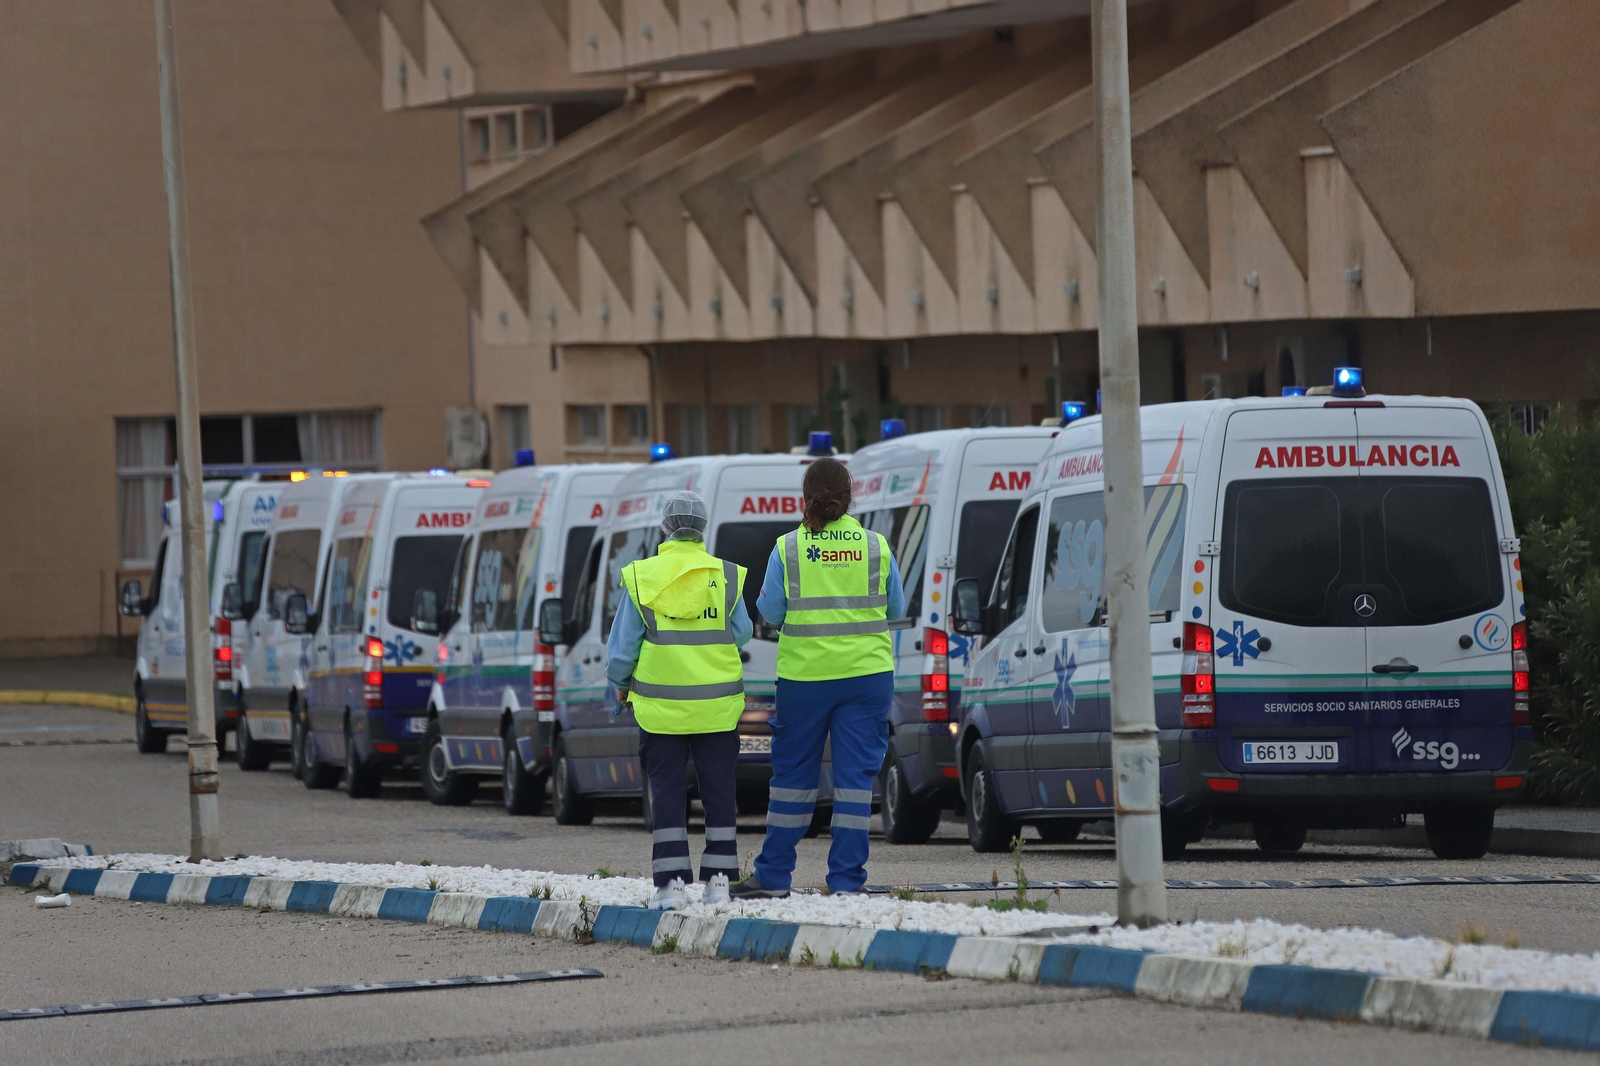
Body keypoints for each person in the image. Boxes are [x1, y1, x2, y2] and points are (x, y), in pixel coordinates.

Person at [729, 457, 905, 898]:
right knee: (854, 781)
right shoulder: (876, 546)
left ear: (804, 498)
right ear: (849, 497)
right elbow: (897, 610)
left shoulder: (787, 548)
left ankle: (773, 876)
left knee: (792, 778)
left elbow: (768, 612)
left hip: (805, 679)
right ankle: (846, 881)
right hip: (867, 677)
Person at [606, 490, 752, 911]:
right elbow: (741, 631)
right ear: (703, 528)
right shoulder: (725, 575)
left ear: (665, 527)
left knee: (667, 791)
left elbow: (622, 650)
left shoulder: (643, 575)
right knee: (719, 791)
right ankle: (720, 883)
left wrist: (621, 682)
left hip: (660, 709)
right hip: (718, 707)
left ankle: (671, 887)